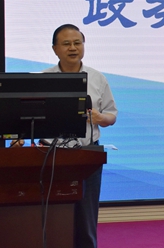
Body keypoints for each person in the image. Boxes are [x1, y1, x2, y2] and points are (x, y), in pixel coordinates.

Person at [44, 23, 117, 248]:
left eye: (77, 43)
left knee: (86, 215)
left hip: (87, 152)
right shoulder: (43, 79)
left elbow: (112, 116)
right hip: (52, 154)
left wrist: (100, 117)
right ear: (55, 49)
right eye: (66, 44)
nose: (73, 48)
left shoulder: (97, 78)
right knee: (54, 213)